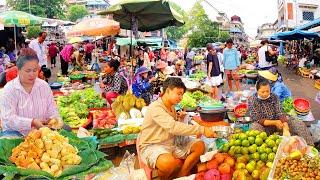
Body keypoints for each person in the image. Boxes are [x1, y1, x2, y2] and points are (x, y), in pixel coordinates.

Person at [138, 77, 217, 179]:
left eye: (182, 94)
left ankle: (182, 175)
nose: (181, 97)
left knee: (200, 145)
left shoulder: (171, 106)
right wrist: (201, 129)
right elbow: (173, 127)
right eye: (178, 93)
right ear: (167, 91)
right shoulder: (155, 107)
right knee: (168, 163)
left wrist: (181, 119)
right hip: (153, 145)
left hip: (172, 141)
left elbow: (173, 127)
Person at [0, 48, 60, 136]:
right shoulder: (9, 89)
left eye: (35, 70)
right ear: (19, 70)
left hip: (42, 132)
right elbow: (8, 119)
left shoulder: (44, 86)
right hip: (16, 135)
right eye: (28, 71)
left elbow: (52, 109)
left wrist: (52, 120)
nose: (32, 74)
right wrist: (32, 122)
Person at [249, 79, 313, 145]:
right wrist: (275, 122)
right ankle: (265, 146)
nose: (265, 94)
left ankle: (310, 146)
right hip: (264, 126)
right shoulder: (253, 100)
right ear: (257, 91)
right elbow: (259, 119)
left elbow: (279, 112)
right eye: (262, 92)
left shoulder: (274, 96)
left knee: (298, 123)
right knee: (255, 128)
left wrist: (285, 124)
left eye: (267, 91)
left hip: (279, 122)